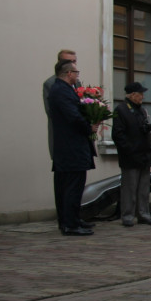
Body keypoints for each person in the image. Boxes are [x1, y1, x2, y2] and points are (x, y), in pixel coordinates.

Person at [48, 60, 98, 235]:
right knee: (71, 187)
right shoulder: (61, 91)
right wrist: (89, 127)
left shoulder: (63, 90)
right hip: (71, 147)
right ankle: (70, 224)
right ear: (69, 73)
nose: (78, 75)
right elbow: (73, 117)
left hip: (70, 146)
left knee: (72, 187)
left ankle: (73, 219)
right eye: (76, 72)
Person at [111, 81, 151, 226]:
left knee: (144, 188)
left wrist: (149, 144)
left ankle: (144, 213)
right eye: (140, 94)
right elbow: (118, 135)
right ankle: (128, 215)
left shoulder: (141, 110)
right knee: (129, 187)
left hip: (144, 154)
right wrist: (129, 149)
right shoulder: (121, 110)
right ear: (132, 95)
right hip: (130, 156)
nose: (142, 96)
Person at [43, 49, 78, 161]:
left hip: (78, 138)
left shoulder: (77, 82)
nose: (72, 65)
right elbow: (51, 112)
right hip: (63, 137)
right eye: (68, 61)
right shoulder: (51, 84)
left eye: (74, 61)